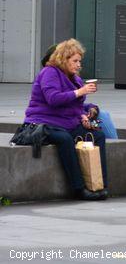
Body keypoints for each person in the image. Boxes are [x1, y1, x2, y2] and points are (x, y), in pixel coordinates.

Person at [22, 39, 109, 201]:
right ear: (64, 59)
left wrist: (85, 114)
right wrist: (80, 92)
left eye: (79, 61)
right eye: (74, 61)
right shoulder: (49, 72)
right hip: (42, 123)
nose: (78, 65)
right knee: (65, 139)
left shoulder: (75, 79)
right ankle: (79, 188)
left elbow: (75, 106)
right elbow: (53, 99)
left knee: (98, 136)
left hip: (65, 123)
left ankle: (100, 185)